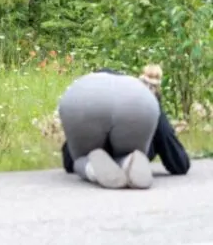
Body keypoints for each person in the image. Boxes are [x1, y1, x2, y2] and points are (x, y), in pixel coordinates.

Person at [58, 64, 190, 189]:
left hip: (82, 94)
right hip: (134, 103)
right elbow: (167, 138)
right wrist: (180, 162)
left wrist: (74, 157)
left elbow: (69, 158)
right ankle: (128, 161)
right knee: (129, 151)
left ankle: (91, 168)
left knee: (80, 159)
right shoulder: (141, 95)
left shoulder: (94, 86)